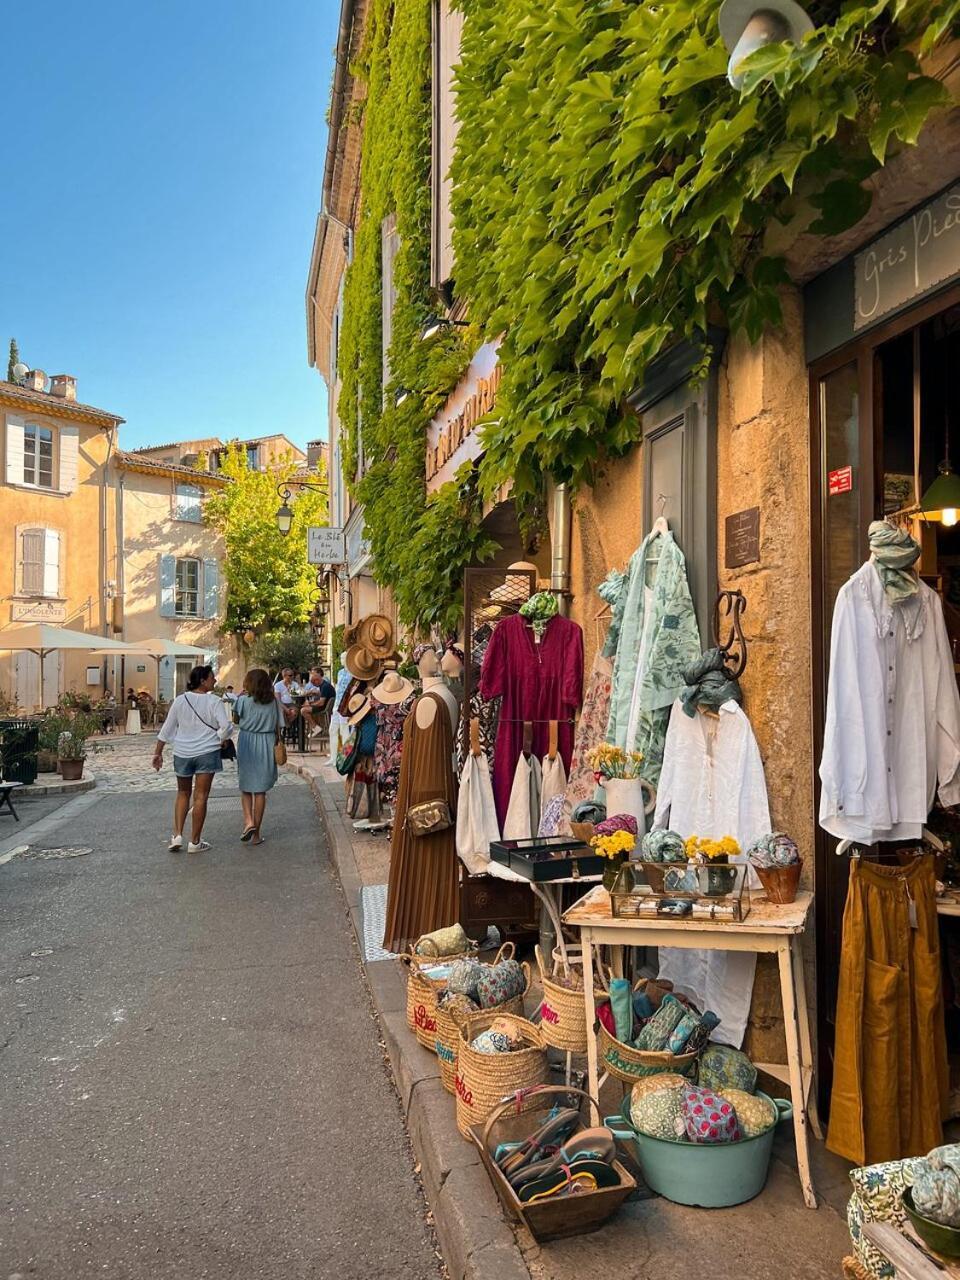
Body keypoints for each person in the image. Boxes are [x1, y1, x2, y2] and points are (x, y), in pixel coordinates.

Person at [153, 665, 233, 853]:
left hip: (182, 752)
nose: (214, 680)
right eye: (212, 677)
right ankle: (195, 842)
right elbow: (226, 726)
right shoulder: (214, 701)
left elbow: (167, 729)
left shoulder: (180, 700)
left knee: (182, 793)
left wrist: (157, 753)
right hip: (207, 751)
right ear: (203, 680)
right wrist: (222, 738)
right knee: (201, 796)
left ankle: (177, 835)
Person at [234, 667, 285, 845]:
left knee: (246, 786)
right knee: (260, 790)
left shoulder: (243, 701)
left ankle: (248, 821)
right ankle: (256, 834)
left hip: (247, 741)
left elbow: (236, 720)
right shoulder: (274, 702)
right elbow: (281, 724)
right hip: (267, 741)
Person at [301, 666, 335, 738]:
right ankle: (316, 727)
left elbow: (321, 703)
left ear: (318, 677)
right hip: (325, 706)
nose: (314, 685)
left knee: (303, 710)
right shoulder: (324, 685)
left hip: (324, 708)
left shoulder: (325, 686)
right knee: (306, 707)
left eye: (314, 682)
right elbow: (321, 693)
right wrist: (313, 692)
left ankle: (316, 728)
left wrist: (309, 704)